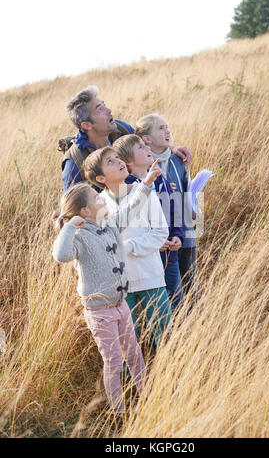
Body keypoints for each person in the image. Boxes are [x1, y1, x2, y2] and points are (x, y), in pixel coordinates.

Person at [52, 151, 162, 414]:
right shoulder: (77, 236)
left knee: (135, 355)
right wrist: (68, 227)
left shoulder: (110, 224)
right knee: (113, 362)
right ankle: (119, 412)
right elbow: (61, 255)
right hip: (99, 312)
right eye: (96, 199)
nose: (102, 200)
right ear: (84, 211)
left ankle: (147, 398)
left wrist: (146, 184)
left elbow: (131, 208)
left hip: (120, 305)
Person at [83, 142, 172, 348]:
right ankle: (134, 378)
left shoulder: (144, 191)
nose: (119, 162)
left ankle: (172, 375)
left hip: (150, 277)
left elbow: (160, 233)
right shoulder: (100, 203)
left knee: (164, 333)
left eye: (118, 157)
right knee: (127, 340)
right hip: (120, 285)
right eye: (110, 162)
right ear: (101, 179)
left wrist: (129, 246)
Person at [61, 85, 192, 191]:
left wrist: (171, 147)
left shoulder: (120, 129)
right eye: (100, 109)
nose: (109, 110)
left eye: (104, 104)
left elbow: (146, 144)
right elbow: (72, 209)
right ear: (87, 125)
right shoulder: (74, 163)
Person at [113, 134, 185, 312]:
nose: (147, 149)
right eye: (140, 147)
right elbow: (130, 226)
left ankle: (178, 339)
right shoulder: (126, 188)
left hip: (170, 254)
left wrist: (177, 235)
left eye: (146, 145)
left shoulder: (160, 179)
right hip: (147, 259)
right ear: (128, 161)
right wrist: (154, 243)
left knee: (176, 301)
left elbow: (173, 211)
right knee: (155, 307)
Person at [135, 114, 197, 296]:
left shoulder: (178, 160)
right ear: (146, 139)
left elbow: (188, 188)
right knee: (171, 288)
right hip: (162, 239)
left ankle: (195, 320)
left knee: (191, 283)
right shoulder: (143, 165)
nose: (167, 131)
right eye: (160, 128)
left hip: (186, 230)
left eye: (167, 126)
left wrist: (194, 207)